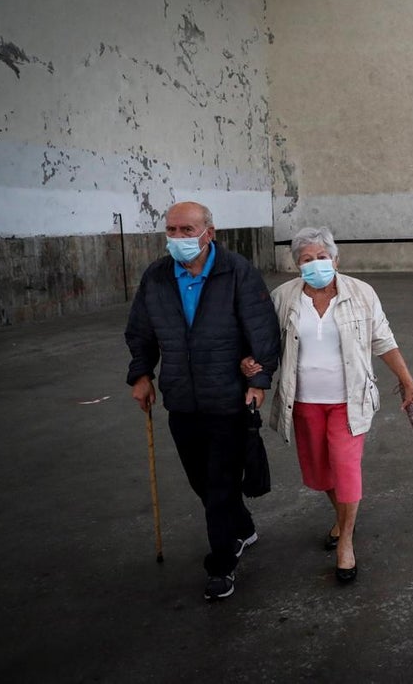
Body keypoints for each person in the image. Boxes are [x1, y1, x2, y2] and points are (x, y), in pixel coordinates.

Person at [243, 226, 413, 584]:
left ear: (336, 260)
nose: (315, 265)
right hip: (304, 401)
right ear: (297, 265)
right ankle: (342, 520)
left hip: (349, 400)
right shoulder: (284, 297)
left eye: (322, 257)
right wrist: (251, 365)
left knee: (345, 468)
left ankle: (347, 544)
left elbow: (382, 340)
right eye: (306, 259)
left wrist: (407, 381)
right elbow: (263, 342)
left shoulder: (361, 293)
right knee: (321, 473)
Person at [125, 201, 281, 601]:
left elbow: (262, 330)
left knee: (218, 483)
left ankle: (222, 564)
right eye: (172, 230)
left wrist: (259, 379)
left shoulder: (237, 272)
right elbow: (140, 331)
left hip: (227, 397)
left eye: (186, 230)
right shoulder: (157, 277)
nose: (177, 238)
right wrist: (142, 374)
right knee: (201, 480)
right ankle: (242, 527)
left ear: (209, 233)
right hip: (181, 399)